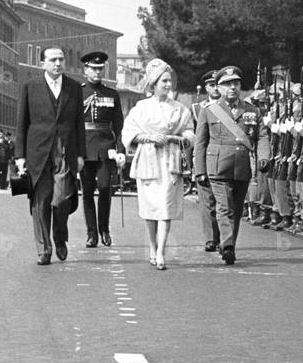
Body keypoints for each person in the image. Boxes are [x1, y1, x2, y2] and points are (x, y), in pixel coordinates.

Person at [14, 47, 86, 265]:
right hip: (37, 153)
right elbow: (22, 123)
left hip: (65, 151)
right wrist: (19, 155)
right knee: (40, 201)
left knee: (62, 199)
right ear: (42, 63)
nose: (58, 63)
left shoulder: (74, 87)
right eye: (53, 60)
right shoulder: (30, 87)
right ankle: (44, 249)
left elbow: (79, 125)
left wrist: (81, 154)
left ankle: (60, 236)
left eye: (61, 59)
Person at [122, 59, 195, 270]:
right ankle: (152, 246)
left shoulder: (180, 109)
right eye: (163, 81)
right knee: (150, 208)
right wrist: (149, 138)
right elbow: (128, 133)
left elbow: (189, 132)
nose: (168, 84)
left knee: (165, 206)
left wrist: (178, 139)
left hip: (170, 161)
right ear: (153, 84)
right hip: (148, 160)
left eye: (169, 80)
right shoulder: (141, 108)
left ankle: (162, 251)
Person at [194, 65, 261, 265]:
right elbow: (200, 143)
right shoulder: (209, 111)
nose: (232, 87)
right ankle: (228, 244)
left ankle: (229, 242)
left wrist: (264, 157)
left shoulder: (251, 110)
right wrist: (199, 171)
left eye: (236, 83)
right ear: (219, 88)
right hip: (218, 166)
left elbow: (262, 136)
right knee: (224, 207)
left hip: (241, 166)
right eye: (227, 84)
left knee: (237, 209)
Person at [79, 51, 125, 248]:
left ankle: (104, 229)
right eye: (93, 69)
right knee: (87, 192)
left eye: (100, 69)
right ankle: (91, 234)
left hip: (106, 147)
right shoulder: (77, 92)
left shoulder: (112, 94)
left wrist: (120, 149)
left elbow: (119, 126)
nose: (97, 72)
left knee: (106, 188)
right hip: (85, 147)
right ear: (85, 70)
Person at [192, 70, 222, 251]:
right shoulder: (198, 109)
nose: (215, 88)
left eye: (218, 84)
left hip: (225, 159)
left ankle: (224, 237)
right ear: (206, 88)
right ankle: (211, 238)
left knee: (225, 202)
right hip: (205, 158)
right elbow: (195, 140)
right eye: (211, 85)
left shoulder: (231, 108)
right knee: (207, 201)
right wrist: (195, 166)